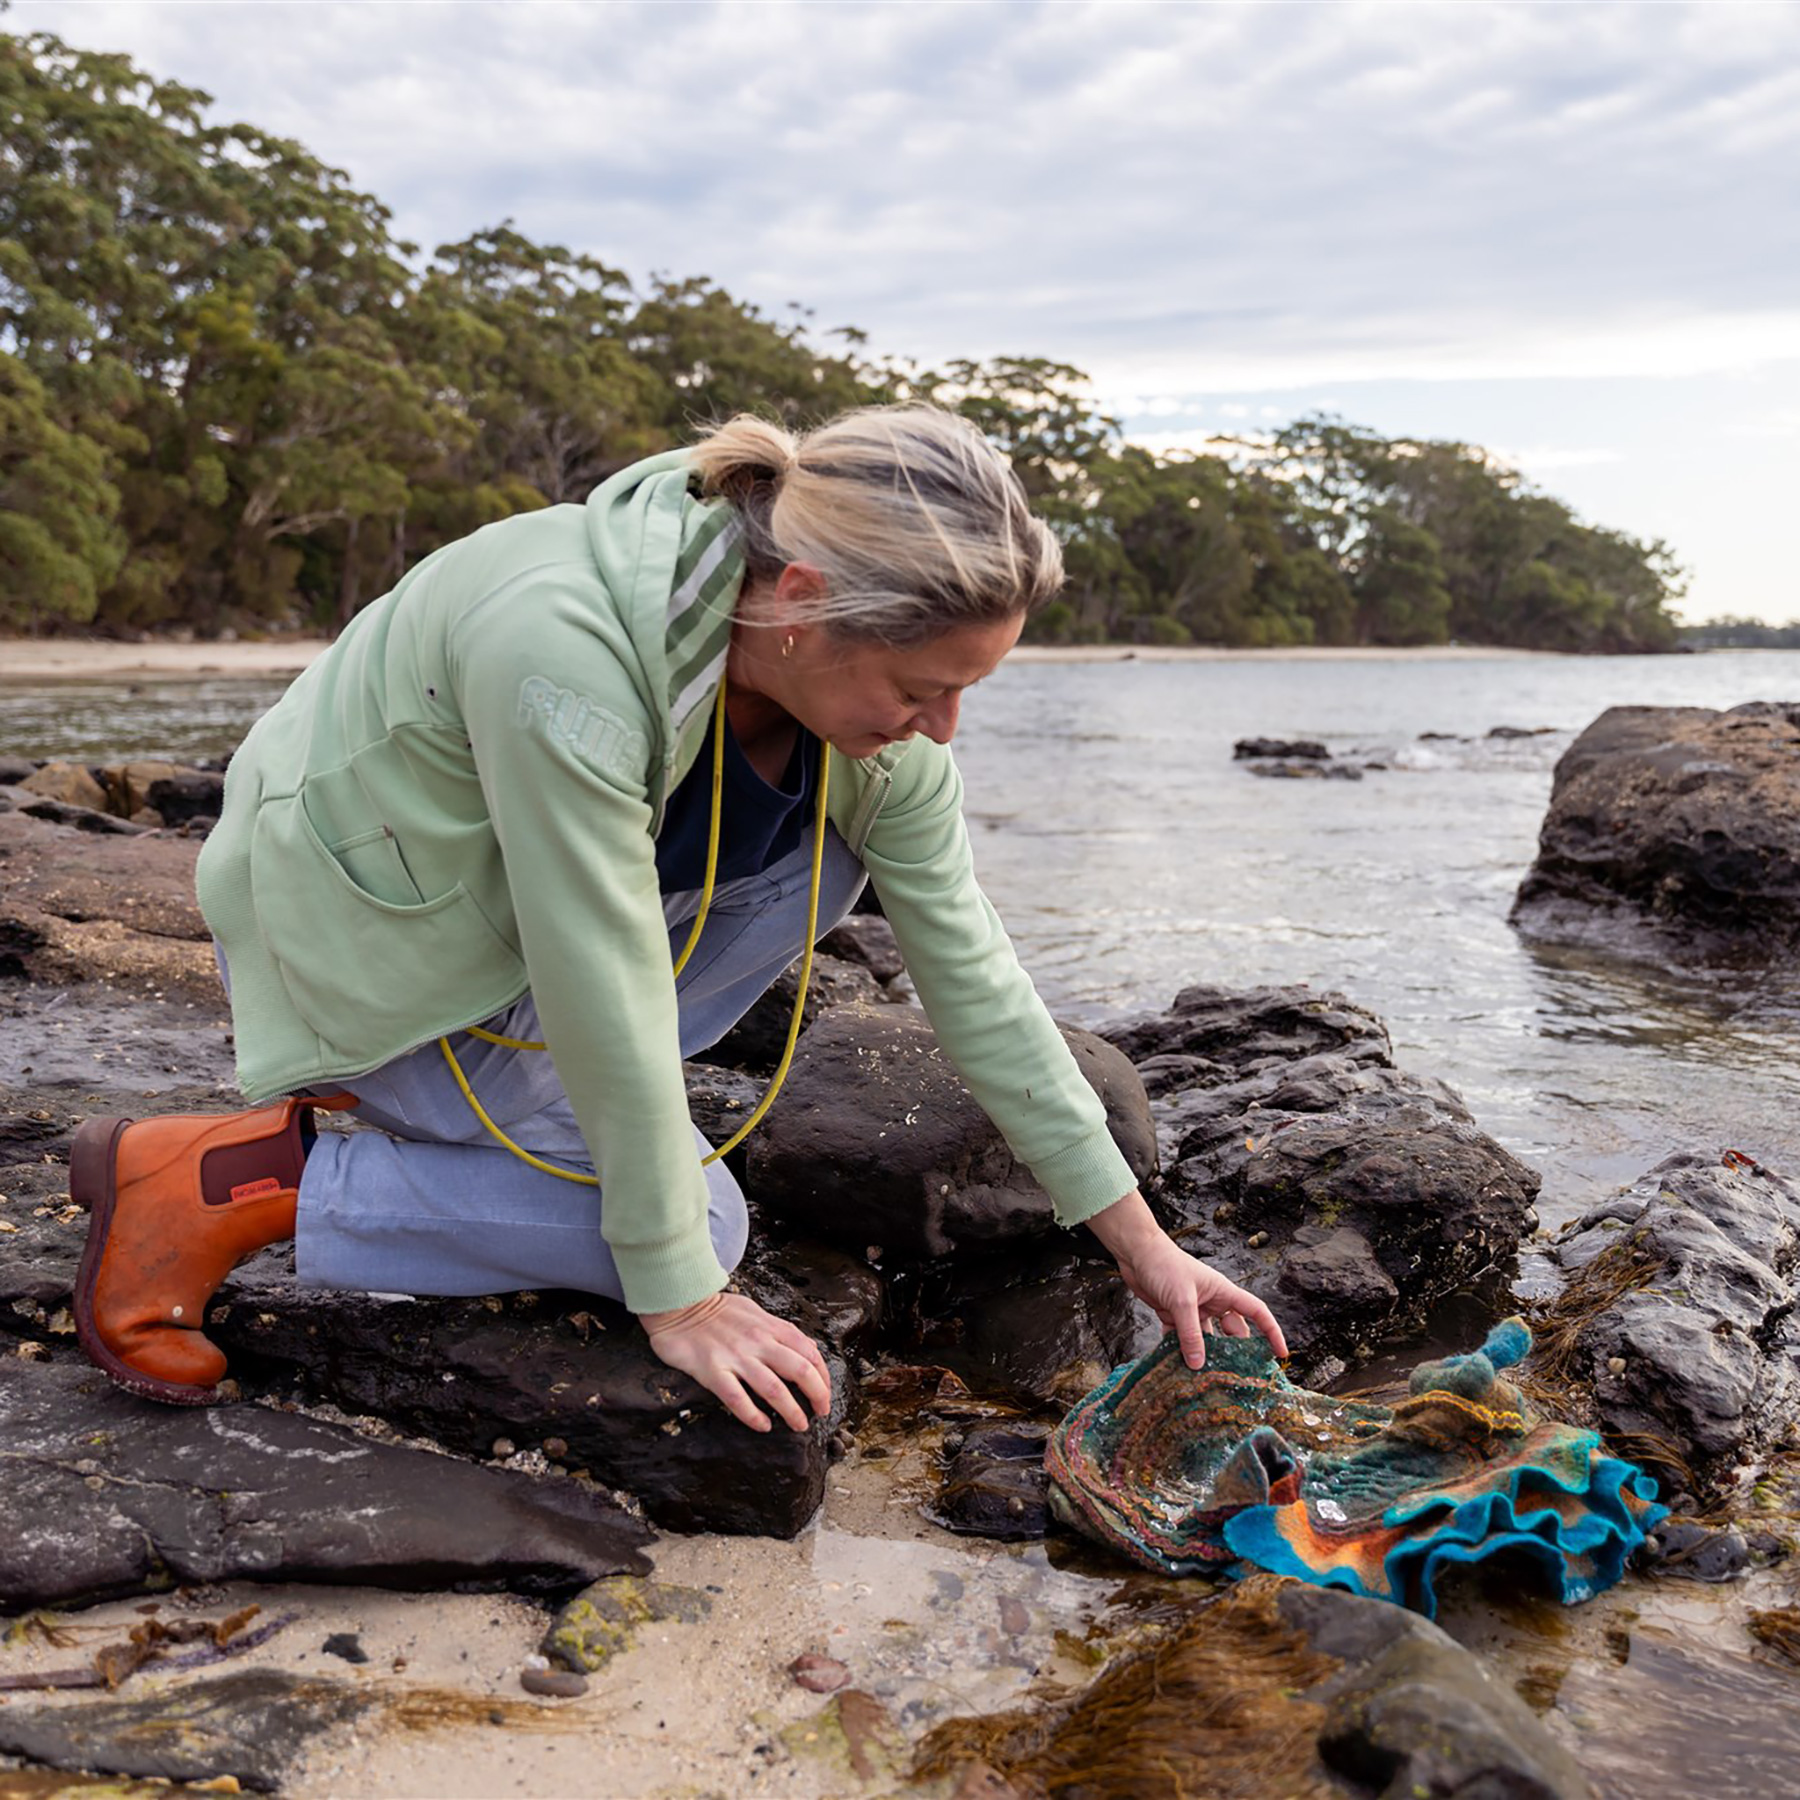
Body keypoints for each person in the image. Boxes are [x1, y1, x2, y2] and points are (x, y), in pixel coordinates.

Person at [70, 404, 1288, 1433]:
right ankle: (229, 1182)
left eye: (968, 691)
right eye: (922, 689)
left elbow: (978, 980)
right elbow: (599, 967)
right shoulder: (566, 647)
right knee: (694, 1225)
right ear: (802, 597)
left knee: (701, 1156)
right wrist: (680, 1302)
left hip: (513, 958)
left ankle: (417, 1124)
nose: (944, 730)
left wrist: (1143, 1244)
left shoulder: (876, 742)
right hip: (357, 934)